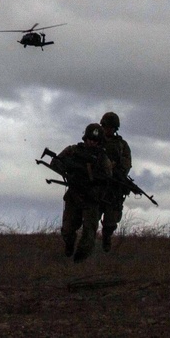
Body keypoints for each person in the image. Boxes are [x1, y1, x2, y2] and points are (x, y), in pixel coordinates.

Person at [50, 123, 113, 262]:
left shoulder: (103, 159)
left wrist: (95, 186)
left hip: (91, 199)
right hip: (74, 195)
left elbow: (108, 179)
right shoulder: (73, 150)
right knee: (67, 230)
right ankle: (69, 245)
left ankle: (79, 262)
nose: (91, 142)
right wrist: (68, 171)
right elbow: (55, 162)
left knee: (89, 236)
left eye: (95, 140)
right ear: (85, 138)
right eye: (89, 139)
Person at [98, 112, 132, 253]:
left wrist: (115, 169)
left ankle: (106, 238)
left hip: (113, 186)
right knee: (91, 215)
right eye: (106, 126)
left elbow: (126, 164)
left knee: (111, 220)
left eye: (111, 127)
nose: (108, 130)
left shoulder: (122, 145)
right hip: (97, 184)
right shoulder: (95, 140)